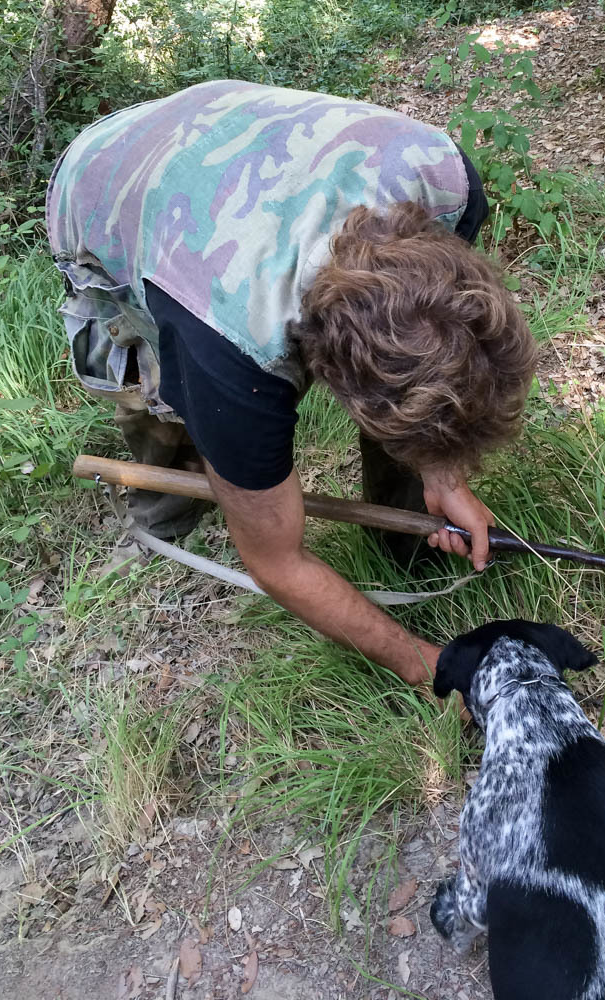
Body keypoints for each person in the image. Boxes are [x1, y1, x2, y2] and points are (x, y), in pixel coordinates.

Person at [46, 79, 537, 688]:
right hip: (114, 175)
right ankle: (163, 516)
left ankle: (405, 538)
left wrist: (442, 472)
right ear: (328, 376)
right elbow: (276, 561)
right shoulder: (230, 348)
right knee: (160, 396)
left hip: (247, 134)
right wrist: (430, 667)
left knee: (415, 400)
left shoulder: (445, 183)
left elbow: (433, 350)